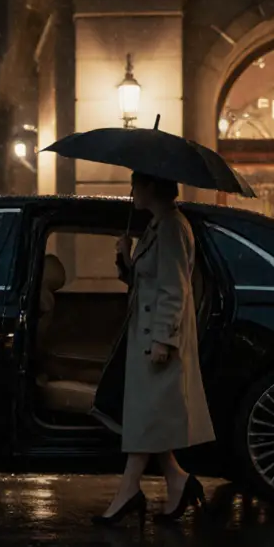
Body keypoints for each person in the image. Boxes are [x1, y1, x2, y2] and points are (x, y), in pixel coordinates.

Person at [89, 171, 216, 525]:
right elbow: (146, 282)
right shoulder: (158, 225)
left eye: (135, 185)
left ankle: (129, 491)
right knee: (152, 414)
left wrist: (163, 338)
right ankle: (178, 480)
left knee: (145, 416)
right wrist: (126, 259)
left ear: (150, 188)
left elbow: (174, 290)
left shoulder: (173, 227)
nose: (131, 192)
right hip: (145, 334)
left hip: (158, 338)